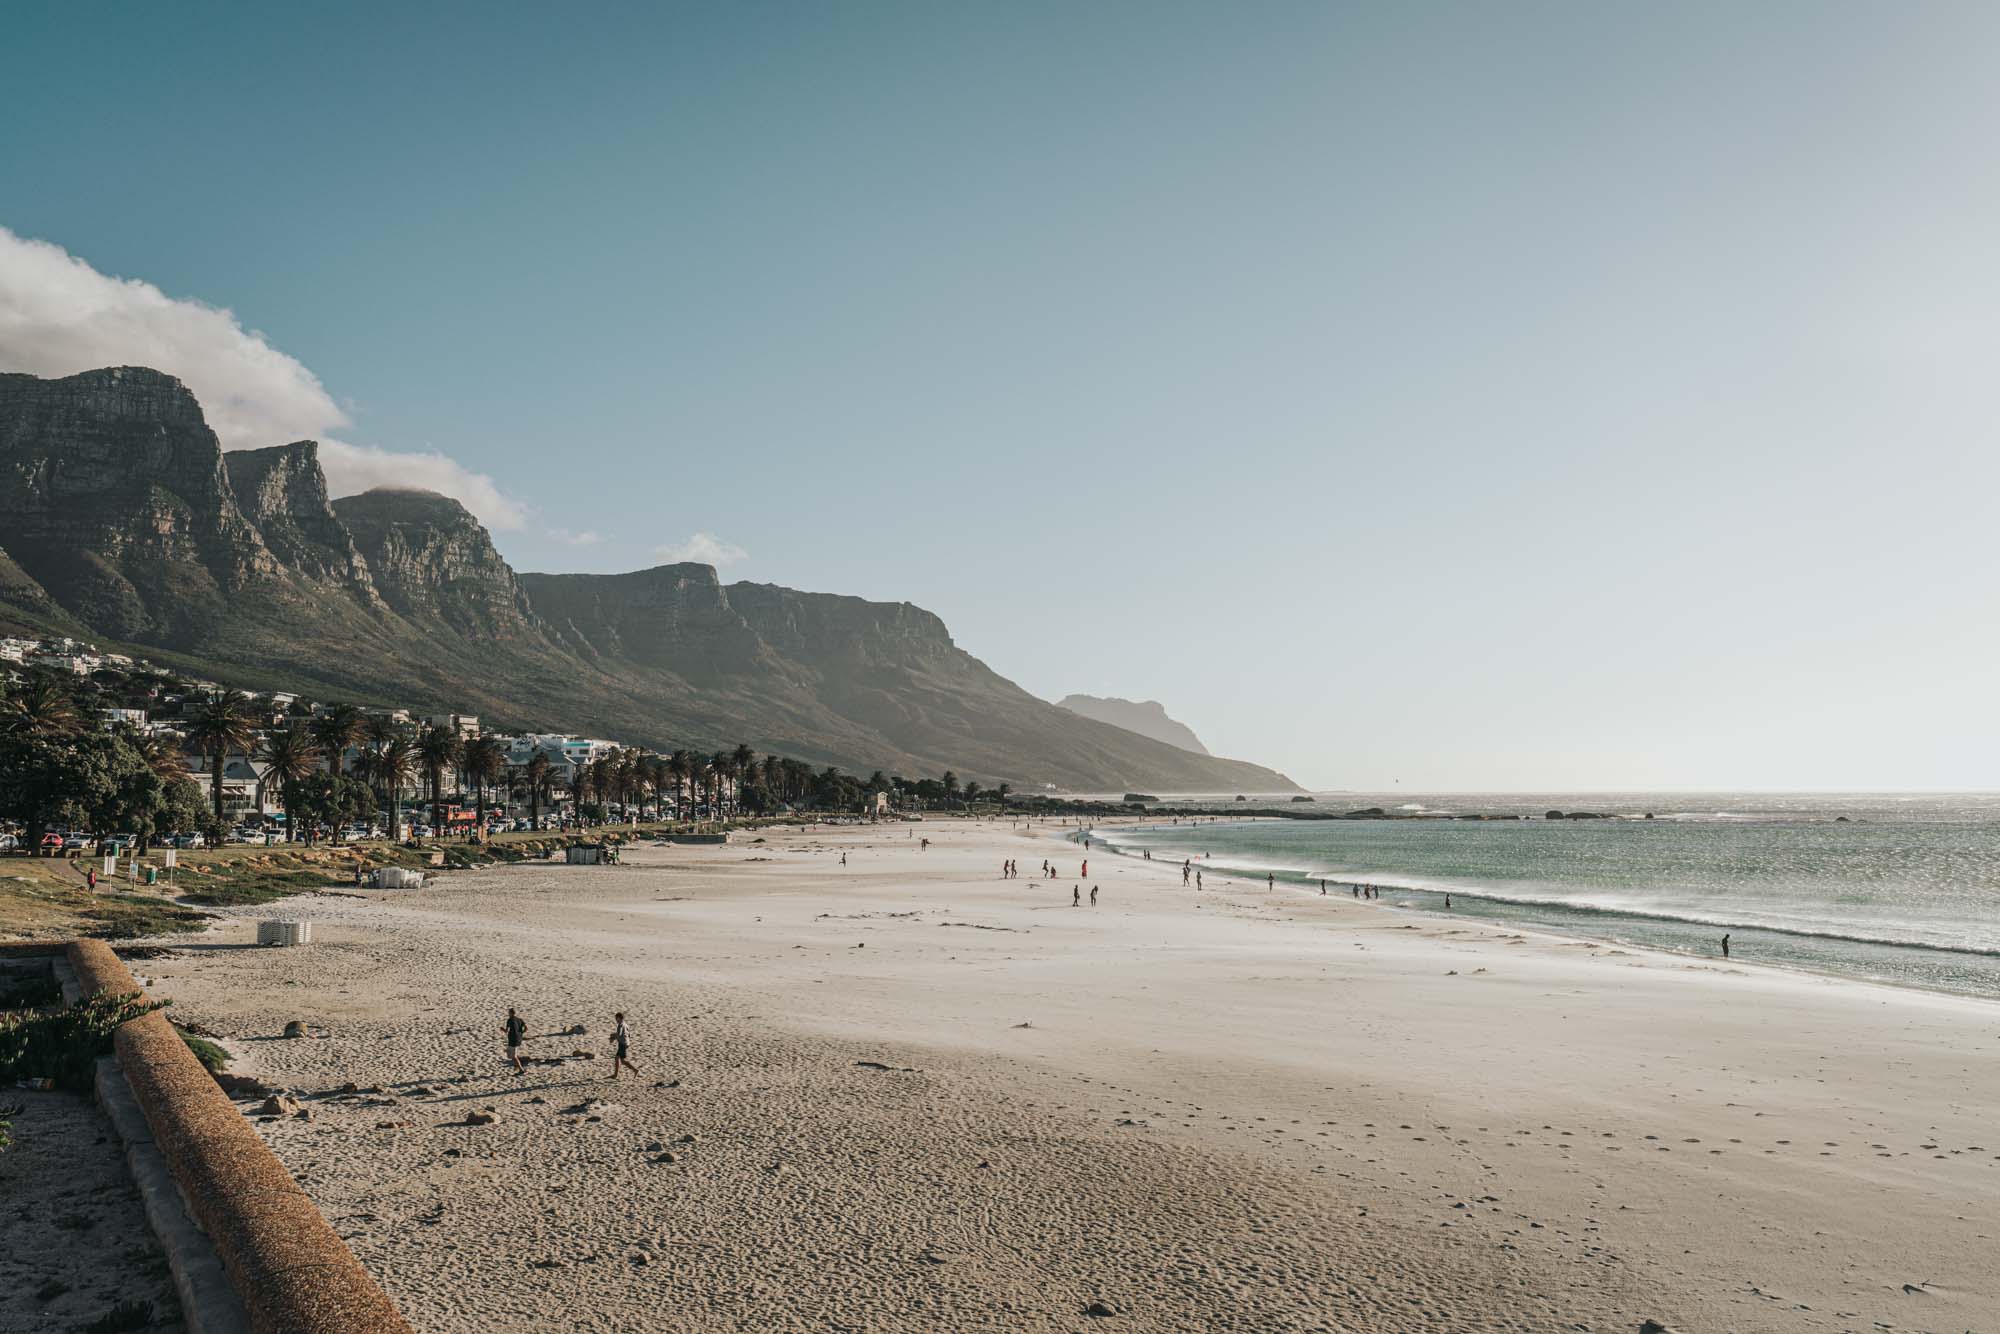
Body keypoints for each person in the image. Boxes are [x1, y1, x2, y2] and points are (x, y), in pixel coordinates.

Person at [609, 1012, 639, 1079]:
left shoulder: (620, 1025)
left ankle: (615, 1075)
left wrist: (612, 1036)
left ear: (619, 1018)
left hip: (622, 1044)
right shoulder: (625, 1024)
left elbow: (618, 1035)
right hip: (625, 1043)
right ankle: (635, 1070)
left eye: (616, 1018)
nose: (616, 1020)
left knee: (617, 1058)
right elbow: (628, 1034)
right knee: (621, 1060)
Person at [504, 1007, 527, 1075]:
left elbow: (506, 1031)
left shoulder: (510, 1020)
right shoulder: (520, 1020)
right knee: (510, 1055)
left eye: (509, 1012)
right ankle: (518, 1066)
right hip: (518, 1039)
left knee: (513, 1056)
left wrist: (502, 1029)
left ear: (511, 1013)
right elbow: (526, 1028)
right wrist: (521, 1033)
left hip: (512, 1040)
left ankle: (521, 1069)